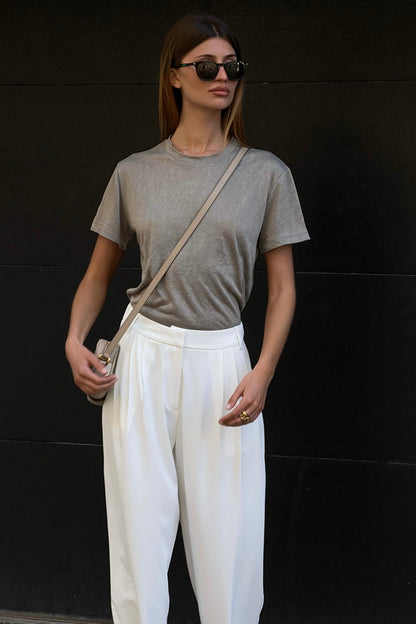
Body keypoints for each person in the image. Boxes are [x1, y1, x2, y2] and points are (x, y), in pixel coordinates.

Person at [65, 13, 309, 624]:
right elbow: (97, 275)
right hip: (142, 358)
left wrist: (264, 371)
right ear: (174, 77)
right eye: (206, 66)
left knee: (230, 538)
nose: (222, 76)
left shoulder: (266, 173)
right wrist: (73, 341)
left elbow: (282, 289)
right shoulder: (135, 172)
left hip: (223, 359)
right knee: (137, 531)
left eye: (232, 66)